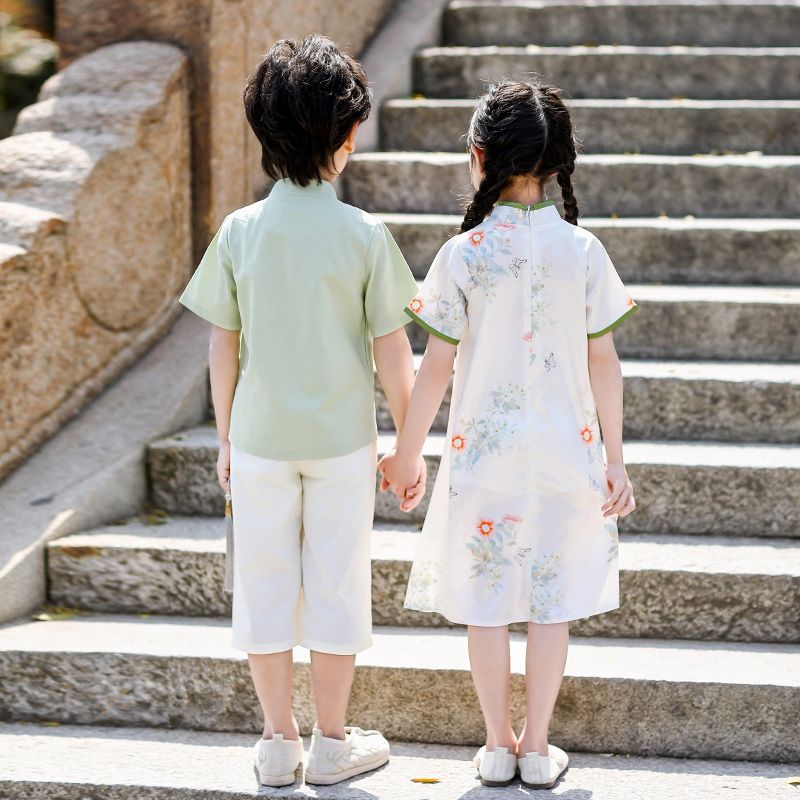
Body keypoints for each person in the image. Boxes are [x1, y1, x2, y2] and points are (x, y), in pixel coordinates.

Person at [378, 80, 637, 790]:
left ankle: (496, 745)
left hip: (480, 458)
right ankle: (538, 744)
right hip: (567, 453)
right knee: (552, 603)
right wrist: (616, 460)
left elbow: (435, 371)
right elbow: (604, 365)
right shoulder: (584, 251)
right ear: (560, 162)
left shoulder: (462, 254)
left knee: (487, 602)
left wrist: (406, 452)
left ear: (479, 155)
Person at [179, 35, 423, 787]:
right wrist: (408, 449)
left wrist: (224, 438)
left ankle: (276, 742)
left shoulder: (240, 232)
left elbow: (224, 345)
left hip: (257, 440)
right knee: (337, 582)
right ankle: (331, 741)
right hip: (344, 443)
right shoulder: (365, 235)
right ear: (347, 137)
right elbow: (393, 354)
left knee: (263, 583)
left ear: (264, 132)